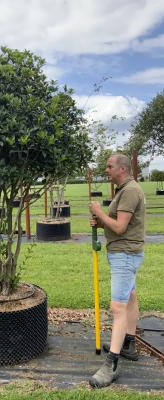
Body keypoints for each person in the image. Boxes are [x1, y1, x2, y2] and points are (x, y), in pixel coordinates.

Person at [88, 154, 146, 388]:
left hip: (125, 253)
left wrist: (99, 212)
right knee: (130, 297)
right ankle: (128, 344)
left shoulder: (130, 190)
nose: (106, 170)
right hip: (124, 252)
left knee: (117, 307)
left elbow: (120, 227)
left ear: (123, 168)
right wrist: (101, 222)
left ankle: (111, 363)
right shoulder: (125, 189)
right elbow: (120, 223)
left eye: (110, 166)